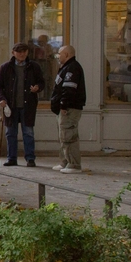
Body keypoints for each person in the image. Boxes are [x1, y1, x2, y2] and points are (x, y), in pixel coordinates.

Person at [0, 42, 45, 167]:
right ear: (13, 53)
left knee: (28, 133)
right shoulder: (5, 67)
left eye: (24, 52)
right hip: (11, 105)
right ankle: (11, 158)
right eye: (19, 52)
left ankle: (30, 158)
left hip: (28, 105)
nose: (22, 54)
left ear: (27, 52)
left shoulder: (34, 66)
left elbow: (42, 82)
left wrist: (37, 88)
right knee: (10, 133)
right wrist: (1, 99)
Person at [51, 44, 86, 174]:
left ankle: (74, 164)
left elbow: (69, 89)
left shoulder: (72, 68)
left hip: (69, 108)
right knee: (63, 136)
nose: (57, 56)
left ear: (66, 54)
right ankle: (65, 161)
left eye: (59, 54)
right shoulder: (66, 67)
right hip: (63, 108)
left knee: (68, 136)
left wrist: (63, 105)